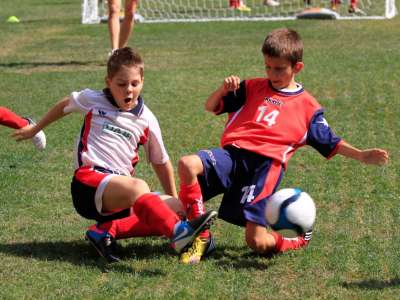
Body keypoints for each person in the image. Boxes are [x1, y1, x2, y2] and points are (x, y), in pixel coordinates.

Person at [177, 28, 389, 264]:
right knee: (187, 164)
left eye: (279, 68)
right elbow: (210, 106)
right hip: (233, 156)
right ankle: (201, 237)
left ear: (297, 67)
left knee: (256, 242)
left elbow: (331, 141)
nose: (272, 73)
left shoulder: (308, 107)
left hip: (264, 169)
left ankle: (297, 240)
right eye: (268, 67)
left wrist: (361, 155)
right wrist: (223, 89)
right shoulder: (252, 87)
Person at [13, 47, 217, 263]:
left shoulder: (147, 119)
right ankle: (179, 235)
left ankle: (104, 232)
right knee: (140, 187)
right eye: (121, 84)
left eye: (134, 84)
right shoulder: (93, 100)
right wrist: (35, 129)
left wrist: (174, 201)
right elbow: (65, 105)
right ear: (108, 81)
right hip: (88, 184)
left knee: (176, 210)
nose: (128, 90)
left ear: (142, 82)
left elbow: (161, 162)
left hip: (121, 196)